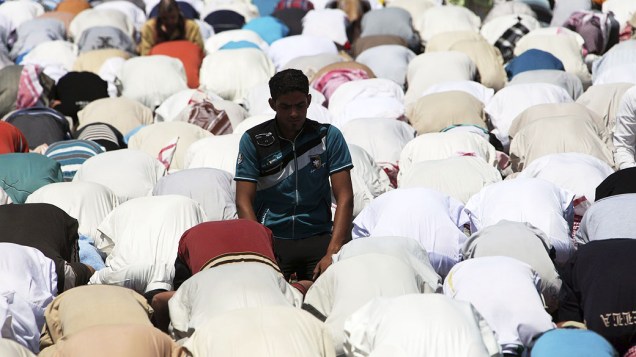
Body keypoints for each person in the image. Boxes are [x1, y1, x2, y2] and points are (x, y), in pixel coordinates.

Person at [235, 68, 354, 281]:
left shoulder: (329, 136)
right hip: (272, 239)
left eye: (300, 106)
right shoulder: (253, 140)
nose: (294, 114)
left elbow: (345, 198)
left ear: (309, 100)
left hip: (319, 236)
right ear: (272, 104)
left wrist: (332, 252)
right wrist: (261, 248)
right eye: (285, 107)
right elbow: (243, 200)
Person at [138, 0, 204, 56]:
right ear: (159, 15)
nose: (169, 22)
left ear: (178, 11)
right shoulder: (149, 28)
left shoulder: (191, 28)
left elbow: (198, 52)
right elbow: (146, 55)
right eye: (164, 18)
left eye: (173, 17)